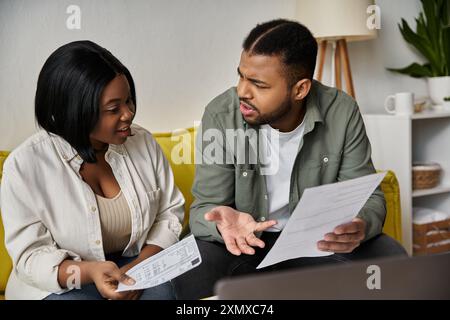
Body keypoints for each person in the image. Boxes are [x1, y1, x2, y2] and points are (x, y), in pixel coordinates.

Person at [172, 19, 406, 299]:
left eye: (258, 84)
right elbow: (205, 209)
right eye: (241, 76)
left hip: (315, 244)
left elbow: (370, 197)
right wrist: (222, 223)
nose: (242, 92)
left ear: (300, 89)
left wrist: (360, 225)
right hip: (245, 244)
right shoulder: (221, 114)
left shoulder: (341, 111)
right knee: (181, 278)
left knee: (391, 261)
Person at [0, 41, 184, 300]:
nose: (128, 113)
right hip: (64, 281)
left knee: (165, 295)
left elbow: (169, 214)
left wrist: (139, 269)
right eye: (113, 109)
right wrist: (91, 272)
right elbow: (31, 257)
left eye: (129, 100)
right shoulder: (24, 167)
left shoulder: (142, 143)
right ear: (75, 112)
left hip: (135, 263)